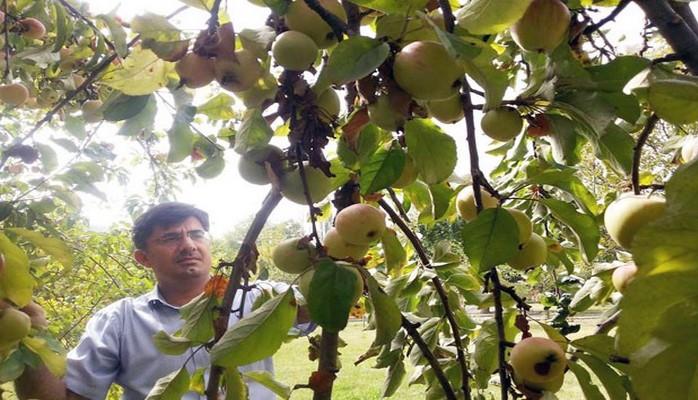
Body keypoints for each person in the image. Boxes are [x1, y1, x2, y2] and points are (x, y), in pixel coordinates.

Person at [16, 202, 313, 400]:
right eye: (170, 238)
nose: (188, 245)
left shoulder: (260, 297)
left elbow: (322, 307)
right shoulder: (120, 321)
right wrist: (30, 333)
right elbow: (67, 397)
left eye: (196, 234)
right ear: (142, 258)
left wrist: (330, 257)